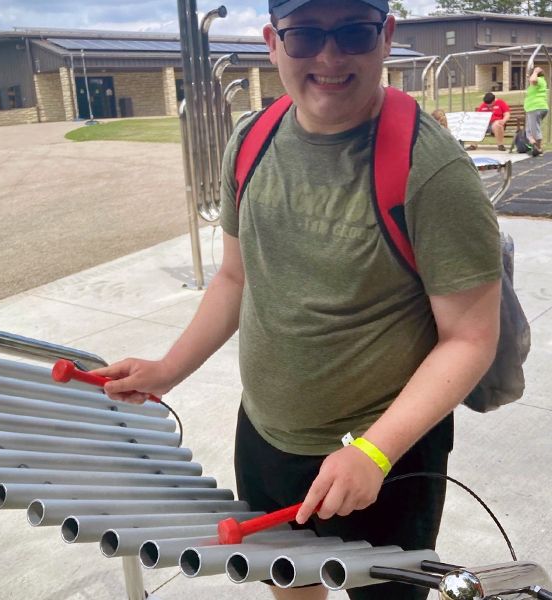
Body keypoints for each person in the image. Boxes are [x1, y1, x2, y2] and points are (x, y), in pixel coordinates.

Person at [96, 1, 502, 598]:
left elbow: (470, 338)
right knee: (290, 587)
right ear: (273, 43)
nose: (329, 57)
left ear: (386, 36)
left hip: (388, 458)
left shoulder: (430, 170)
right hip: (267, 437)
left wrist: (373, 451)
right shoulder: (251, 141)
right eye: (306, 35)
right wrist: (168, 367)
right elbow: (235, 278)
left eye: (353, 33)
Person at [524, 67, 549, 157]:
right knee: (529, 131)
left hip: (536, 108)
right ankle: (535, 146)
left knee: (534, 130)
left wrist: (535, 71)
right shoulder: (537, 82)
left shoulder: (538, 80)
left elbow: (533, 80)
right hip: (532, 108)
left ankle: (539, 148)